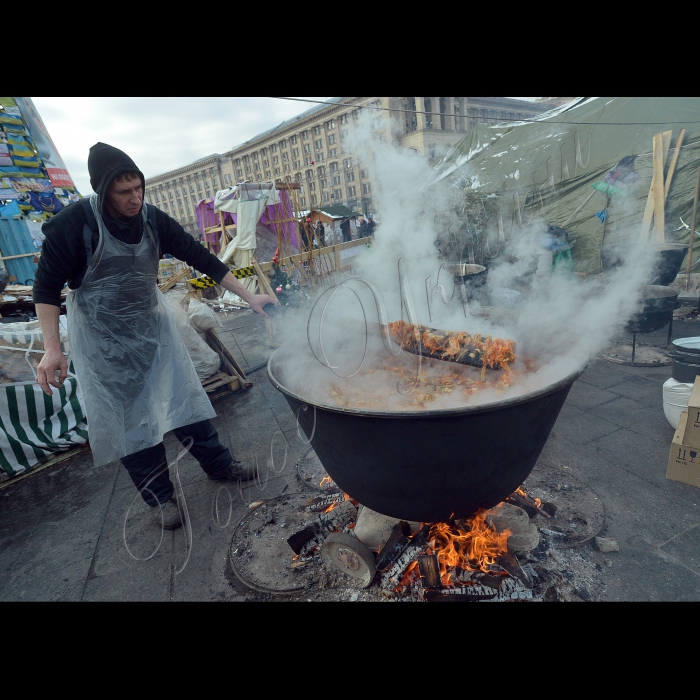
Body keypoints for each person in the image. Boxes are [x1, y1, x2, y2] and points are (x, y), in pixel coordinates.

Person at [33, 143, 275, 531]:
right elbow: (45, 288)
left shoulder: (152, 220)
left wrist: (247, 295)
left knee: (183, 399)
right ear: (103, 190)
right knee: (132, 421)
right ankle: (160, 498)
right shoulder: (74, 225)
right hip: (102, 340)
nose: (134, 198)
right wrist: (51, 349)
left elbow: (199, 256)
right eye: (123, 191)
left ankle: (220, 465)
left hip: (150, 328)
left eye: (138, 188)